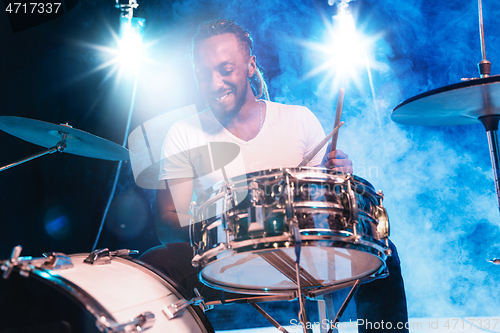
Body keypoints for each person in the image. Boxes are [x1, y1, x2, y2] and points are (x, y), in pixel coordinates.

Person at [140, 19, 408, 332]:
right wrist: (232, 222)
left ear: (250, 66)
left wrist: (337, 178)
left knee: (382, 252)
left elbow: (327, 208)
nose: (214, 83)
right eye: (204, 74)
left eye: (225, 69)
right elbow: (166, 221)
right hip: (228, 261)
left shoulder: (298, 119)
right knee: (157, 262)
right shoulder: (183, 133)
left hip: (302, 254)